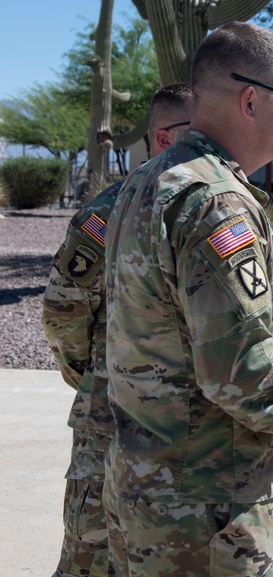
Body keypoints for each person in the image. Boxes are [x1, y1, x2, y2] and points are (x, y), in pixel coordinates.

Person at [102, 21, 273, 576]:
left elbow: (162, 336)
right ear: (250, 100)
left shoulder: (147, 181)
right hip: (203, 510)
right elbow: (237, 375)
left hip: (144, 491)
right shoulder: (217, 203)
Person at [40, 83, 193, 577]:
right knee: (91, 556)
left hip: (183, 433)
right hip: (108, 423)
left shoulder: (206, 207)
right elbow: (64, 312)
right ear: (166, 138)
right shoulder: (106, 213)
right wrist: (94, 377)